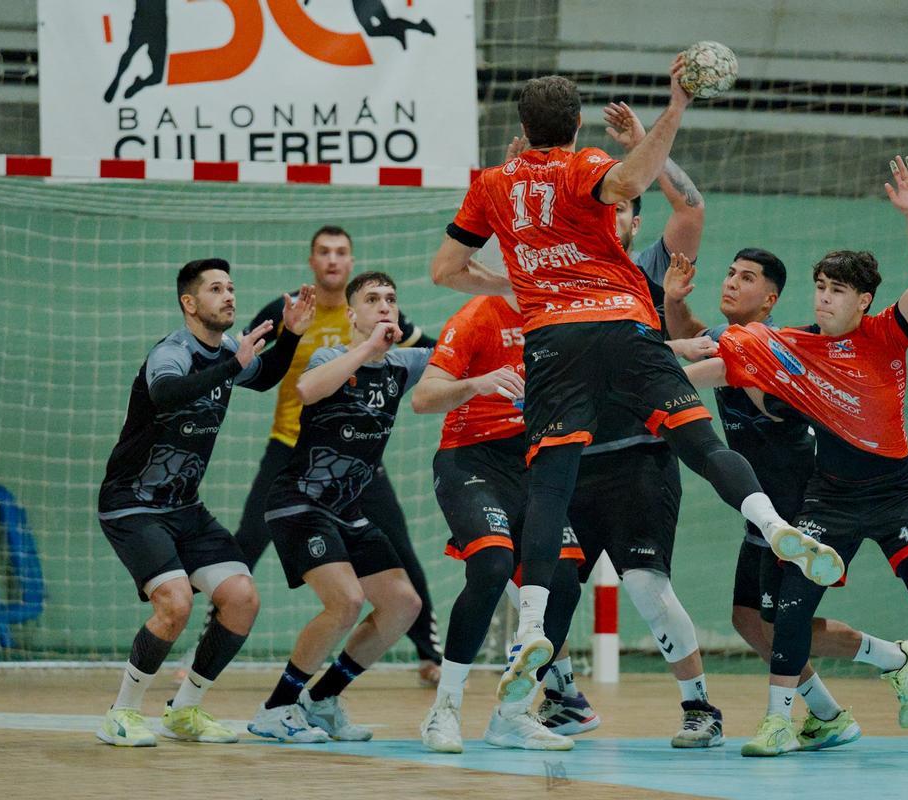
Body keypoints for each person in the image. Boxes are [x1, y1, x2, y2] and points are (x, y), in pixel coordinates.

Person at [430, 58, 844, 712]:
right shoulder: (584, 170)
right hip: (623, 329)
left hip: (558, 345)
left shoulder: (494, 185)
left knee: (549, 487)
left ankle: (534, 627)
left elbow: (445, 267)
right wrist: (674, 107)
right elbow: (629, 177)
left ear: (521, 125)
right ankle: (768, 521)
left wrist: (516, 282)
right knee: (702, 442)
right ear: (574, 126)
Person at [686, 157, 908, 756]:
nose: (826, 299)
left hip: (895, 491)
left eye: (838, 291)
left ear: (863, 300)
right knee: (788, 608)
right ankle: (781, 722)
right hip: (828, 496)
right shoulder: (796, 347)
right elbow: (722, 366)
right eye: (821, 288)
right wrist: (664, 381)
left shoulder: (888, 332)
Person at [665, 247, 908, 751]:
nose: (730, 283)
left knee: (782, 623)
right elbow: (703, 342)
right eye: (728, 272)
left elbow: (707, 357)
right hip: (756, 511)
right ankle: (830, 714)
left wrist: (646, 376)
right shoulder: (731, 340)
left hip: (789, 512)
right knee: (748, 619)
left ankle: (895, 659)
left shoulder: (771, 357)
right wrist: (672, 301)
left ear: (768, 302)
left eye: (745, 279)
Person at [536, 101, 726, 748]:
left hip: (637, 457)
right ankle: (559, 695)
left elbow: (692, 209)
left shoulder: (647, 269)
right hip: (569, 458)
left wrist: (645, 140)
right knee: (541, 584)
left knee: (646, 588)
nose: (609, 214)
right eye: (602, 206)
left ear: (633, 215)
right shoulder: (557, 276)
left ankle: (700, 707)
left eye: (620, 207)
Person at [96, 258, 315, 746]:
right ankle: (121, 713)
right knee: (173, 604)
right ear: (190, 303)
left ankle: (185, 711)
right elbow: (168, 394)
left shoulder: (230, 350)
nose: (229, 295)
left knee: (242, 598)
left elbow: (263, 376)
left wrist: (292, 336)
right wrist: (228, 366)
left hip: (184, 507)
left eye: (232, 287)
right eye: (216, 289)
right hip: (132, 503)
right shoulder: (172, 352)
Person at [217, 225, 443, 686]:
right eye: (324, 252)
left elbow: (439, 352)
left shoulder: (378, 315)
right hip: (290, 449)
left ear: (351, 261)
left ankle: (429, 652)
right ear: (312, 261)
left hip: (360, 462)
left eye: (342, 252)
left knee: (397, 548)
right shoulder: (290, 311)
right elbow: (238, 360)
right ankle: (211, 638)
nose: (333, 260)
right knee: (246, 542)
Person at [248, 272, 426, 743]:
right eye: (372, 299)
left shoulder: (405, 364)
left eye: (391, 298)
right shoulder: (334, 355)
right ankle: (276, 709)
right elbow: (307, 390)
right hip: (298, 502)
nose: (384, 306)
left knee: (403, 604)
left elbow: (458, 352)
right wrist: (369, 348)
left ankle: (322, 701)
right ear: (352, 315)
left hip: (347, 509)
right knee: (346, 601)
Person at [413, 294, 582, 752]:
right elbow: (423, 398)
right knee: (491, 564)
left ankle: (512, 715)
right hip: (469, 458)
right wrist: (479, 383)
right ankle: (443, 709)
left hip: (531, 464)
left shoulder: (562, 318)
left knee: (565, 582)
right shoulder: (479, 314)